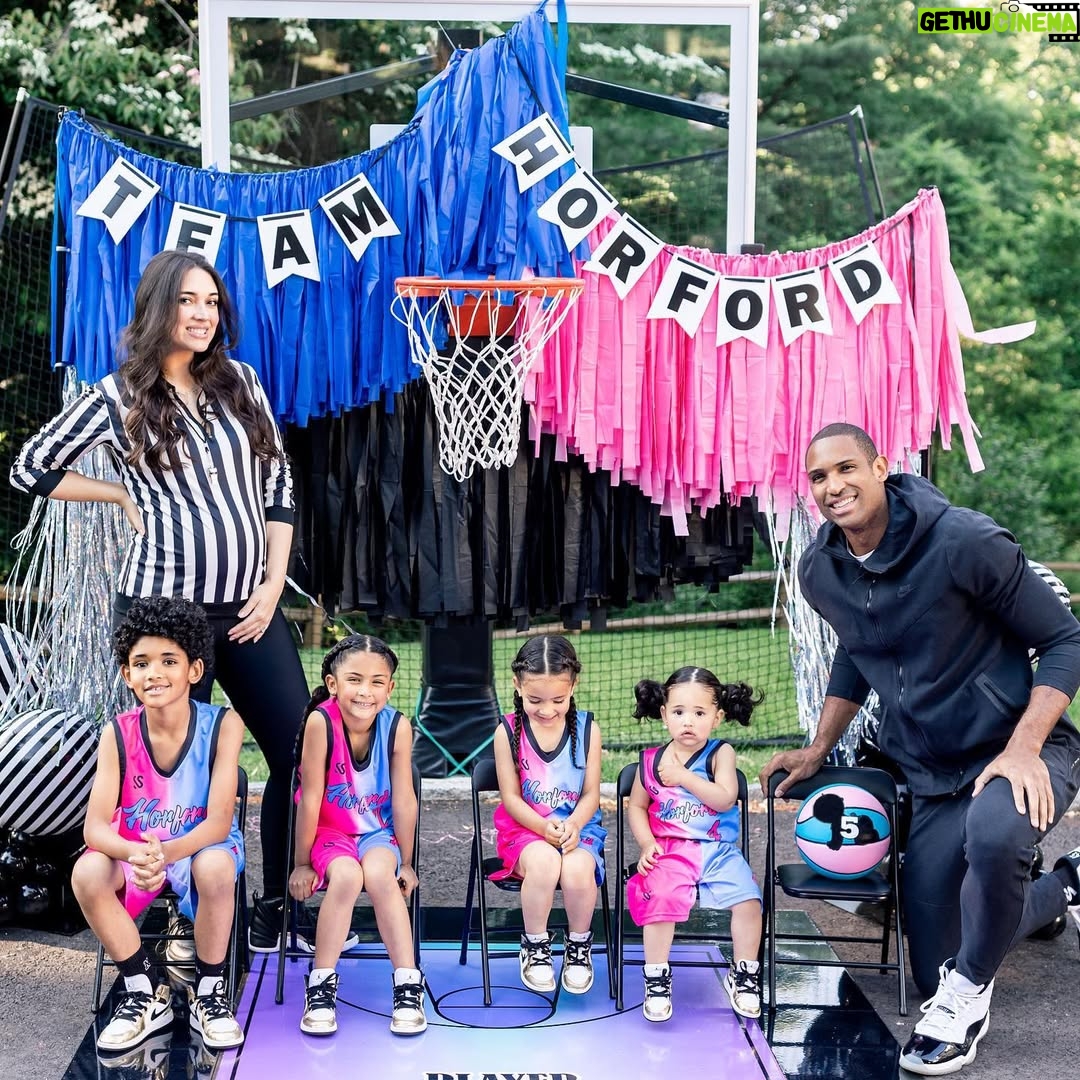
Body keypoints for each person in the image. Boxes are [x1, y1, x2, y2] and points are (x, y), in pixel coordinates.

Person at [10, 249, 310, 948]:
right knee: (170, 777)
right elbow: (31, 467)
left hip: (250, 609)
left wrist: (272, 584)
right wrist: (116, 493)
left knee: (299, 753)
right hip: (164, 618)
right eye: (187, 300)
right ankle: (180, 916)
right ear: (157, 308)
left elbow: (279, 485)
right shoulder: (116, 397)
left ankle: (276, 909)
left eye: (211, 302)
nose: (203, 314)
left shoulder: (241, 382)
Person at [759, 422, 1080, 1076]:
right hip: (931, 771)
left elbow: (1065, 641)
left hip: (1019, 746)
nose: (833, 486)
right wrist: (819, 746)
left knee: (994, 839)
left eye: (847, 468)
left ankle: (966, 1004)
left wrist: (1024, 747)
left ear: (881, 468)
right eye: (818, 476)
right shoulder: (822, 570)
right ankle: (1064, 886)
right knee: (937, 961)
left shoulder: (964, 540)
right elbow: (855, 648)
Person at [73, 596, 245, 1055]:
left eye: (169, 660)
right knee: (87, 872)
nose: (154, 673)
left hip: (199, 846)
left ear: (194, 670)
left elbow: (219, 822)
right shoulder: (117, 733)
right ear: (126, 675)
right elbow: (95, 828)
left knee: (214, 867)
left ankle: (209, 992)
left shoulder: (224, 725)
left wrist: (164, 855)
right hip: (140, 852)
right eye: (141, 663)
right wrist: (139, 856)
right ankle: (144, 989)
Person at [288, 634, 426, 1037]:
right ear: (333, 684)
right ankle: (321, 985)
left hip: (377, 832)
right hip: (330, 833)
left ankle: (407, 983)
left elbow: (404, 799)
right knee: (347, 877)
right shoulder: (321, 723)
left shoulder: (397, 727)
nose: (365, 691)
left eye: (377, 682)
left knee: (382, 875)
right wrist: (301, 863)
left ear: (390, 687)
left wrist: (407, 862)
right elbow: (310, 798)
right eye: (354, 680)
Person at [626, 667, 764, 1022]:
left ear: (717, 718)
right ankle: (656, 977)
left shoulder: (721, 753)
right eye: (679, 712)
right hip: (670, 851)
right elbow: (637, 807)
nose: (688, 721)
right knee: (660, 898)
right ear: (664, 715)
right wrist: (646, 843)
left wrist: (684, 777)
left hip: (718, 851)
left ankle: (744, 974)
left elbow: (724, 798)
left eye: (700, 713)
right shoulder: (651, 761)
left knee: (750, 902)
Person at [491, 634, 607, 995]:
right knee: (544, 862)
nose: (546, 710)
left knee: (577, 869)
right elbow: (511, 798)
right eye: (535, 700)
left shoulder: (588, 730)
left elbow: (591, 794)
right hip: (526, 829)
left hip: (577, 827)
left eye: (558, 700)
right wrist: (543, 827)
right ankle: (536, 945)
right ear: (517, 685)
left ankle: (578, 946)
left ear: (573, 685)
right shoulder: (506, 731)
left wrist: (574, 824)